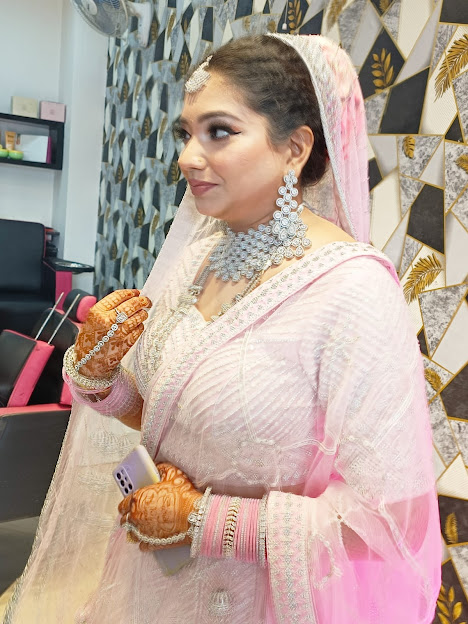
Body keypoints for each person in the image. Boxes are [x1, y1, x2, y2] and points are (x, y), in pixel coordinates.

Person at [4, 34, 441, 624]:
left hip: (248, 603)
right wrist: (103, 374)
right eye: (186, 133)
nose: (188, 156)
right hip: (148, 581)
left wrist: (203, 521)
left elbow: (394, 517)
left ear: (294, 148)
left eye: (219, 131)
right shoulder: (200, 258)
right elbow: (172, 415)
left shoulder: (352, 289)